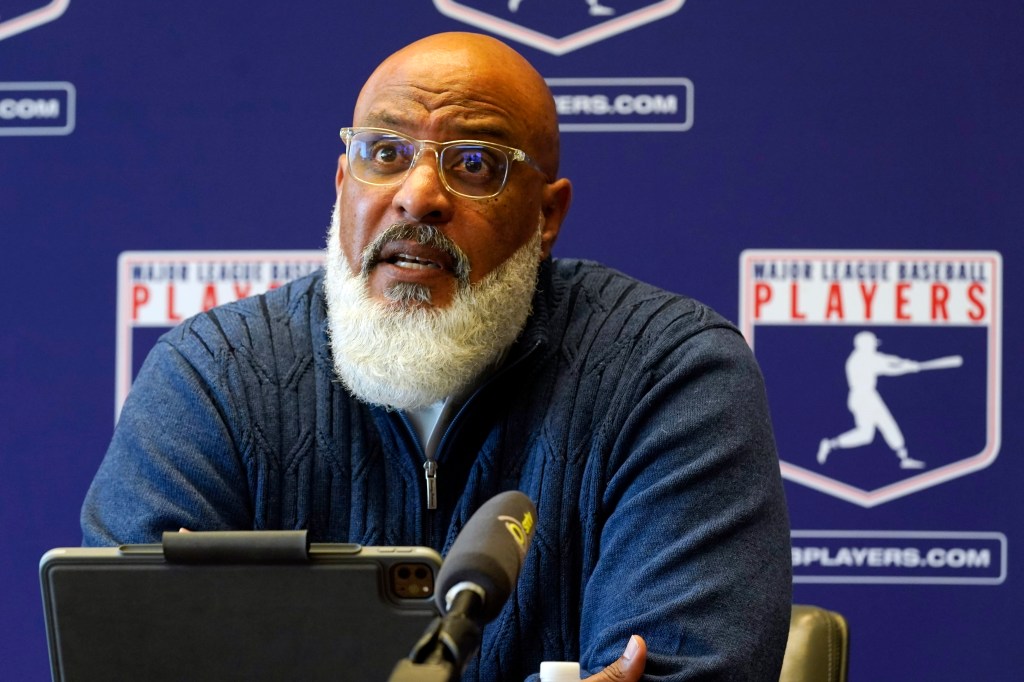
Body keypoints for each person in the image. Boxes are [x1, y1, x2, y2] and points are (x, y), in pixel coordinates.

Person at [81, 32, 792, 681]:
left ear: (546, 218)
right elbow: (131, 661)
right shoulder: (214, 377)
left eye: (475, 164)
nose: (418, 197)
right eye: (384, 154)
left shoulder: (669, 374)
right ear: (342, 186)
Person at [817, 330, 927, 469]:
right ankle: (830, 444)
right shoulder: (861, 359)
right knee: (874, 431)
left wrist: (907, 363)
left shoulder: (867, 356)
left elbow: (888, 359)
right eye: (872, 344)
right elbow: (888, 369)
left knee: (878, 429)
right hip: (864, 398)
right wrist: (909, 368)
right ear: (865, 344)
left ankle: (904, 458)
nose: (875, 346)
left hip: (867, 396)